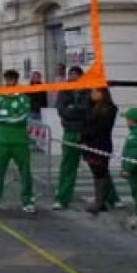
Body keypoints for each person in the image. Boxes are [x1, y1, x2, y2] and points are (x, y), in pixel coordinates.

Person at [0, 70, 35, 213]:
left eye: (12, 79)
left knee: (25, 172)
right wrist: (11, 116)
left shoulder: (23, 98)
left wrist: (5, 115)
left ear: (17, 80)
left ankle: (28, 201)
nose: (10, 82)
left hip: (20, 141)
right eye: (8, 79)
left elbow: (22, 116)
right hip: (3, 141)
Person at [53, 66, 90, 209]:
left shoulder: (88, 91)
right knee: (68, 166)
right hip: (70, 132)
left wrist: (73, 109)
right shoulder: (65, 91)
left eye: (76, 75)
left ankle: (111, 198)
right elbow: (62, 110)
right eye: (71, 74)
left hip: (87, 132)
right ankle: (62, 198)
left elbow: (87, 110)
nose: (73, 77)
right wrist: (74, 110)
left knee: (98, 165)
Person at [81, 87, 118, 215]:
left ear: (103, 94)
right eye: (92, 92)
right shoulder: (91, 107)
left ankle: (100, 202)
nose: (92, 94)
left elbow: (102, 127)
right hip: (89, 144)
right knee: (97, 172)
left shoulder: (110, 108)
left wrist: (86, 135)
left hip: (100, 144)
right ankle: (101, 200)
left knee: (100, 172)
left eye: (96, 92)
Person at [120, 107, 137, 231]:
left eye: (127, 119)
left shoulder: (136, 135)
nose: (126, 121)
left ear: (132, 120)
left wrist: (127, 169)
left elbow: (134, 153)